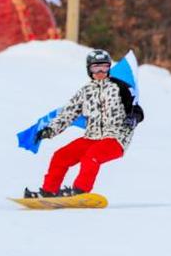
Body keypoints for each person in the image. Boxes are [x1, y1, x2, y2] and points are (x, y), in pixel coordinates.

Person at [24, 49, 145, 197]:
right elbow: (68, 113)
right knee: (61, 156)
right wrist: (50, 130)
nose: (100, 71)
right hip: (91, 137)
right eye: (96, 67)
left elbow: (136, 109)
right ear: (89, 69)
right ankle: (49, 191)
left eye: (104, 67)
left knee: (92, 155)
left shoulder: (120, 87)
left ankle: (80, 190)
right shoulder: (86, 91)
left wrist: (133, 118)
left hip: (116, 138)